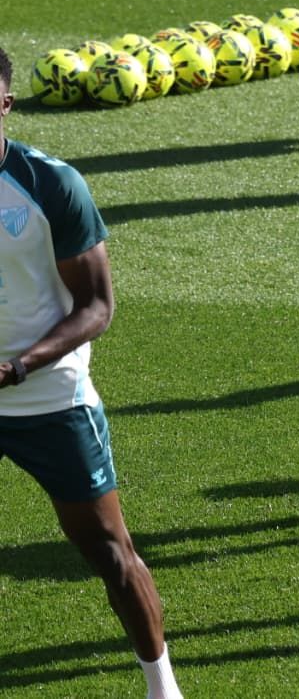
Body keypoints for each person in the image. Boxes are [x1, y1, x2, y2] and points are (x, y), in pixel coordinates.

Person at [0, 47, 184, 698]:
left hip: (50, 397)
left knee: (107, 549)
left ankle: (162, 687)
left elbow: (98, 306)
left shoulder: (50, 185)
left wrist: (19, 365)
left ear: (5, 104)